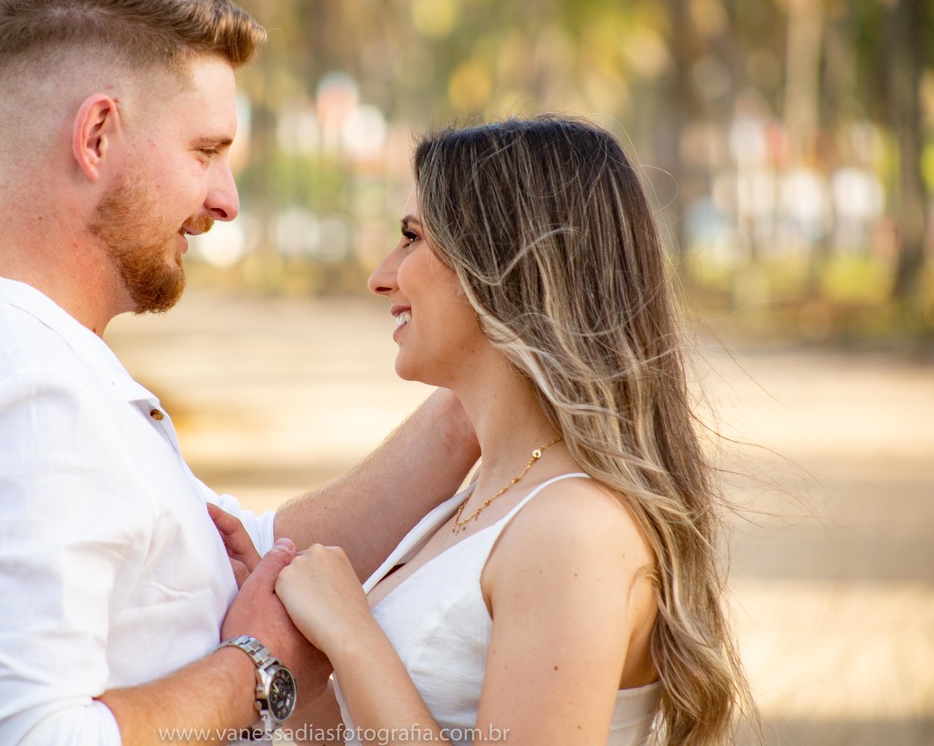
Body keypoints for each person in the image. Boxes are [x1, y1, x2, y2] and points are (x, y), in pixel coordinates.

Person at [0, 0, 478, 746]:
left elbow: (239, 547)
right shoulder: (28, 404)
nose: (226, 200)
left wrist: (479, 403)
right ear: (98, 136)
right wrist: (255, 672)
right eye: (206, 151)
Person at [266, 116, 754, 745]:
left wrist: (351, 635)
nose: (381, 275)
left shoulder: (573, 529)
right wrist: (283, 646)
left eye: (412, 237)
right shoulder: (481, 501)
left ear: (502, 264)